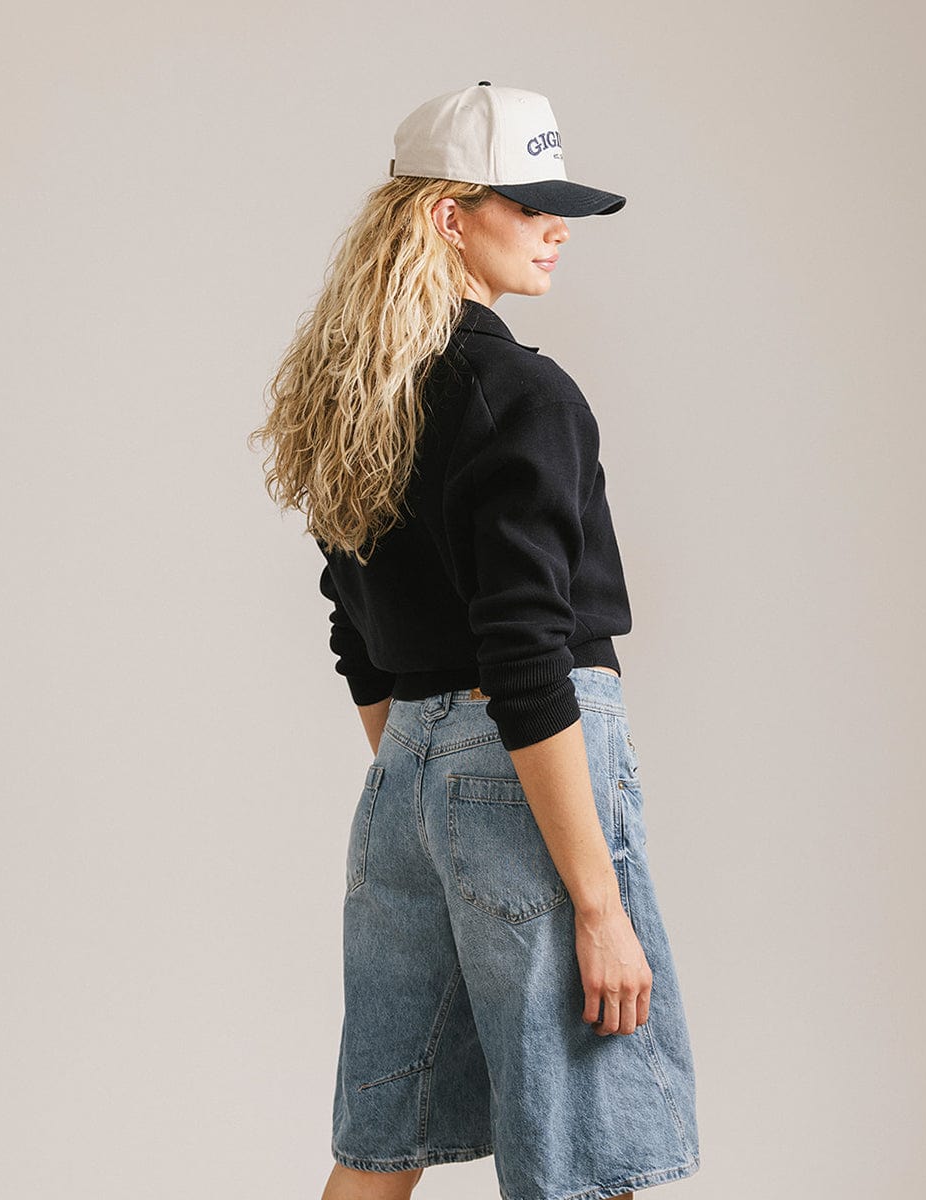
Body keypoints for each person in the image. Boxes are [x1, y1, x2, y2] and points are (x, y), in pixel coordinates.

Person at [250, 82, 700, 1200]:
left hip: (407, 779)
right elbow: (525, 662)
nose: (558, 227)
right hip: (530, 770)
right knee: (581, 1156)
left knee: (378, 1146)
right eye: (531, 202)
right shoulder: (522, 395)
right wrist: (596, 906)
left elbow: (364, 644)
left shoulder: (355, 403)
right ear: (451, 214)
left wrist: (436, 787)